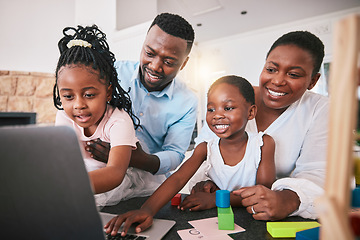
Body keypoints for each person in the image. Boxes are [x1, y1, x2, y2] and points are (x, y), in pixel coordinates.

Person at [104, 75, 276, 236]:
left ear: (251, 112)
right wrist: (147, 210)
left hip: (253, 220)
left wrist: (214, 199)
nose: (217, 115)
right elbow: (178, 178)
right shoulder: (205, 148)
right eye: (211, 109)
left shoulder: (263, 144)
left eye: (228, 108)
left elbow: (261, 193)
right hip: (216, 222)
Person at [190, 30, 328, 221]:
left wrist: (288, 199)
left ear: (313, 81)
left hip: (270, 217)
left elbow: (319, 173)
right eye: (271, 69)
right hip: (218, 213)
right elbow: (203, 154)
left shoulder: (320, 109)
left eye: (294, 74)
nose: (278, 81)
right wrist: (204, 181)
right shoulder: (232, 100)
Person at [85, 13, 198, 187]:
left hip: (148, 181)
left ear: (183, 64)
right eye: (150, 53)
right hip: (98, 167)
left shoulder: (187, 101)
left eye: (169, 62)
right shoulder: (112, 73)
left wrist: (135, 159)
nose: (155, 66)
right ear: (143, 45)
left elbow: (175, 153)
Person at [53, 25, 156, 207]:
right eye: (68, 96)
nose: (79, 105)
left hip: (115, 177)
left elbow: (115, 172)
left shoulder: (119, 120)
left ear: (108, 93)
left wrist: (68, 185)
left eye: (89, 95)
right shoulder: (64, 117)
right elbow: (64, 162)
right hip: (81, 174)